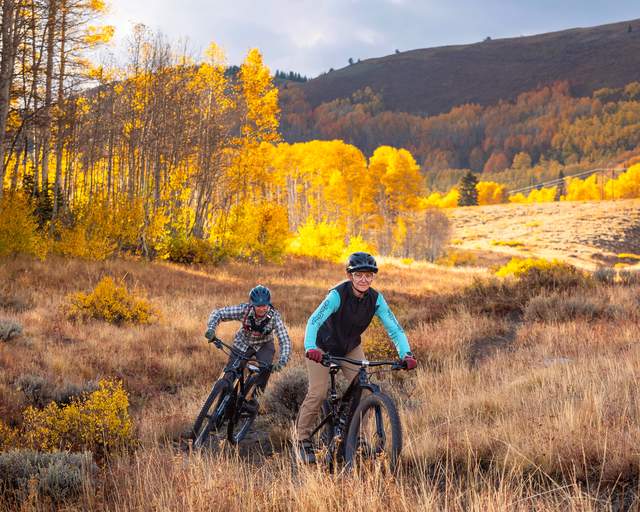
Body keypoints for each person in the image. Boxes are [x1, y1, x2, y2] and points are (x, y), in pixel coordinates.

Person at [295, 252, 418, 462]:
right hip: (322, 347)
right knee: (318, 392)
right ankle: (302, 440)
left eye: (369, 275)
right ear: (350, 275)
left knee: (361, 388)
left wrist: (405, 354)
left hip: (350, 347)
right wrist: (310, 347)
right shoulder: (336, 295)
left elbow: (395, 330)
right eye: (359, 274)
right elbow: (313, 321)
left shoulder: (376, 299)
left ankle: (354, 435)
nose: (364, 279)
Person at [204, 285, 291, 410]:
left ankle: (253, 402)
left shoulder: (275, 317)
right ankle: (221, 411)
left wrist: (282, 361)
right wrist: (211, 329)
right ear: (252, 304)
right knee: (229, 375)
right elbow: (218, 313)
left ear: (269, 303)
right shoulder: (244, 310)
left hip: (264, 345)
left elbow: (284, 340)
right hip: (243, 342)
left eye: (265, 305)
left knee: (265, 369)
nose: (262, 309)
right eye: (258, 306)